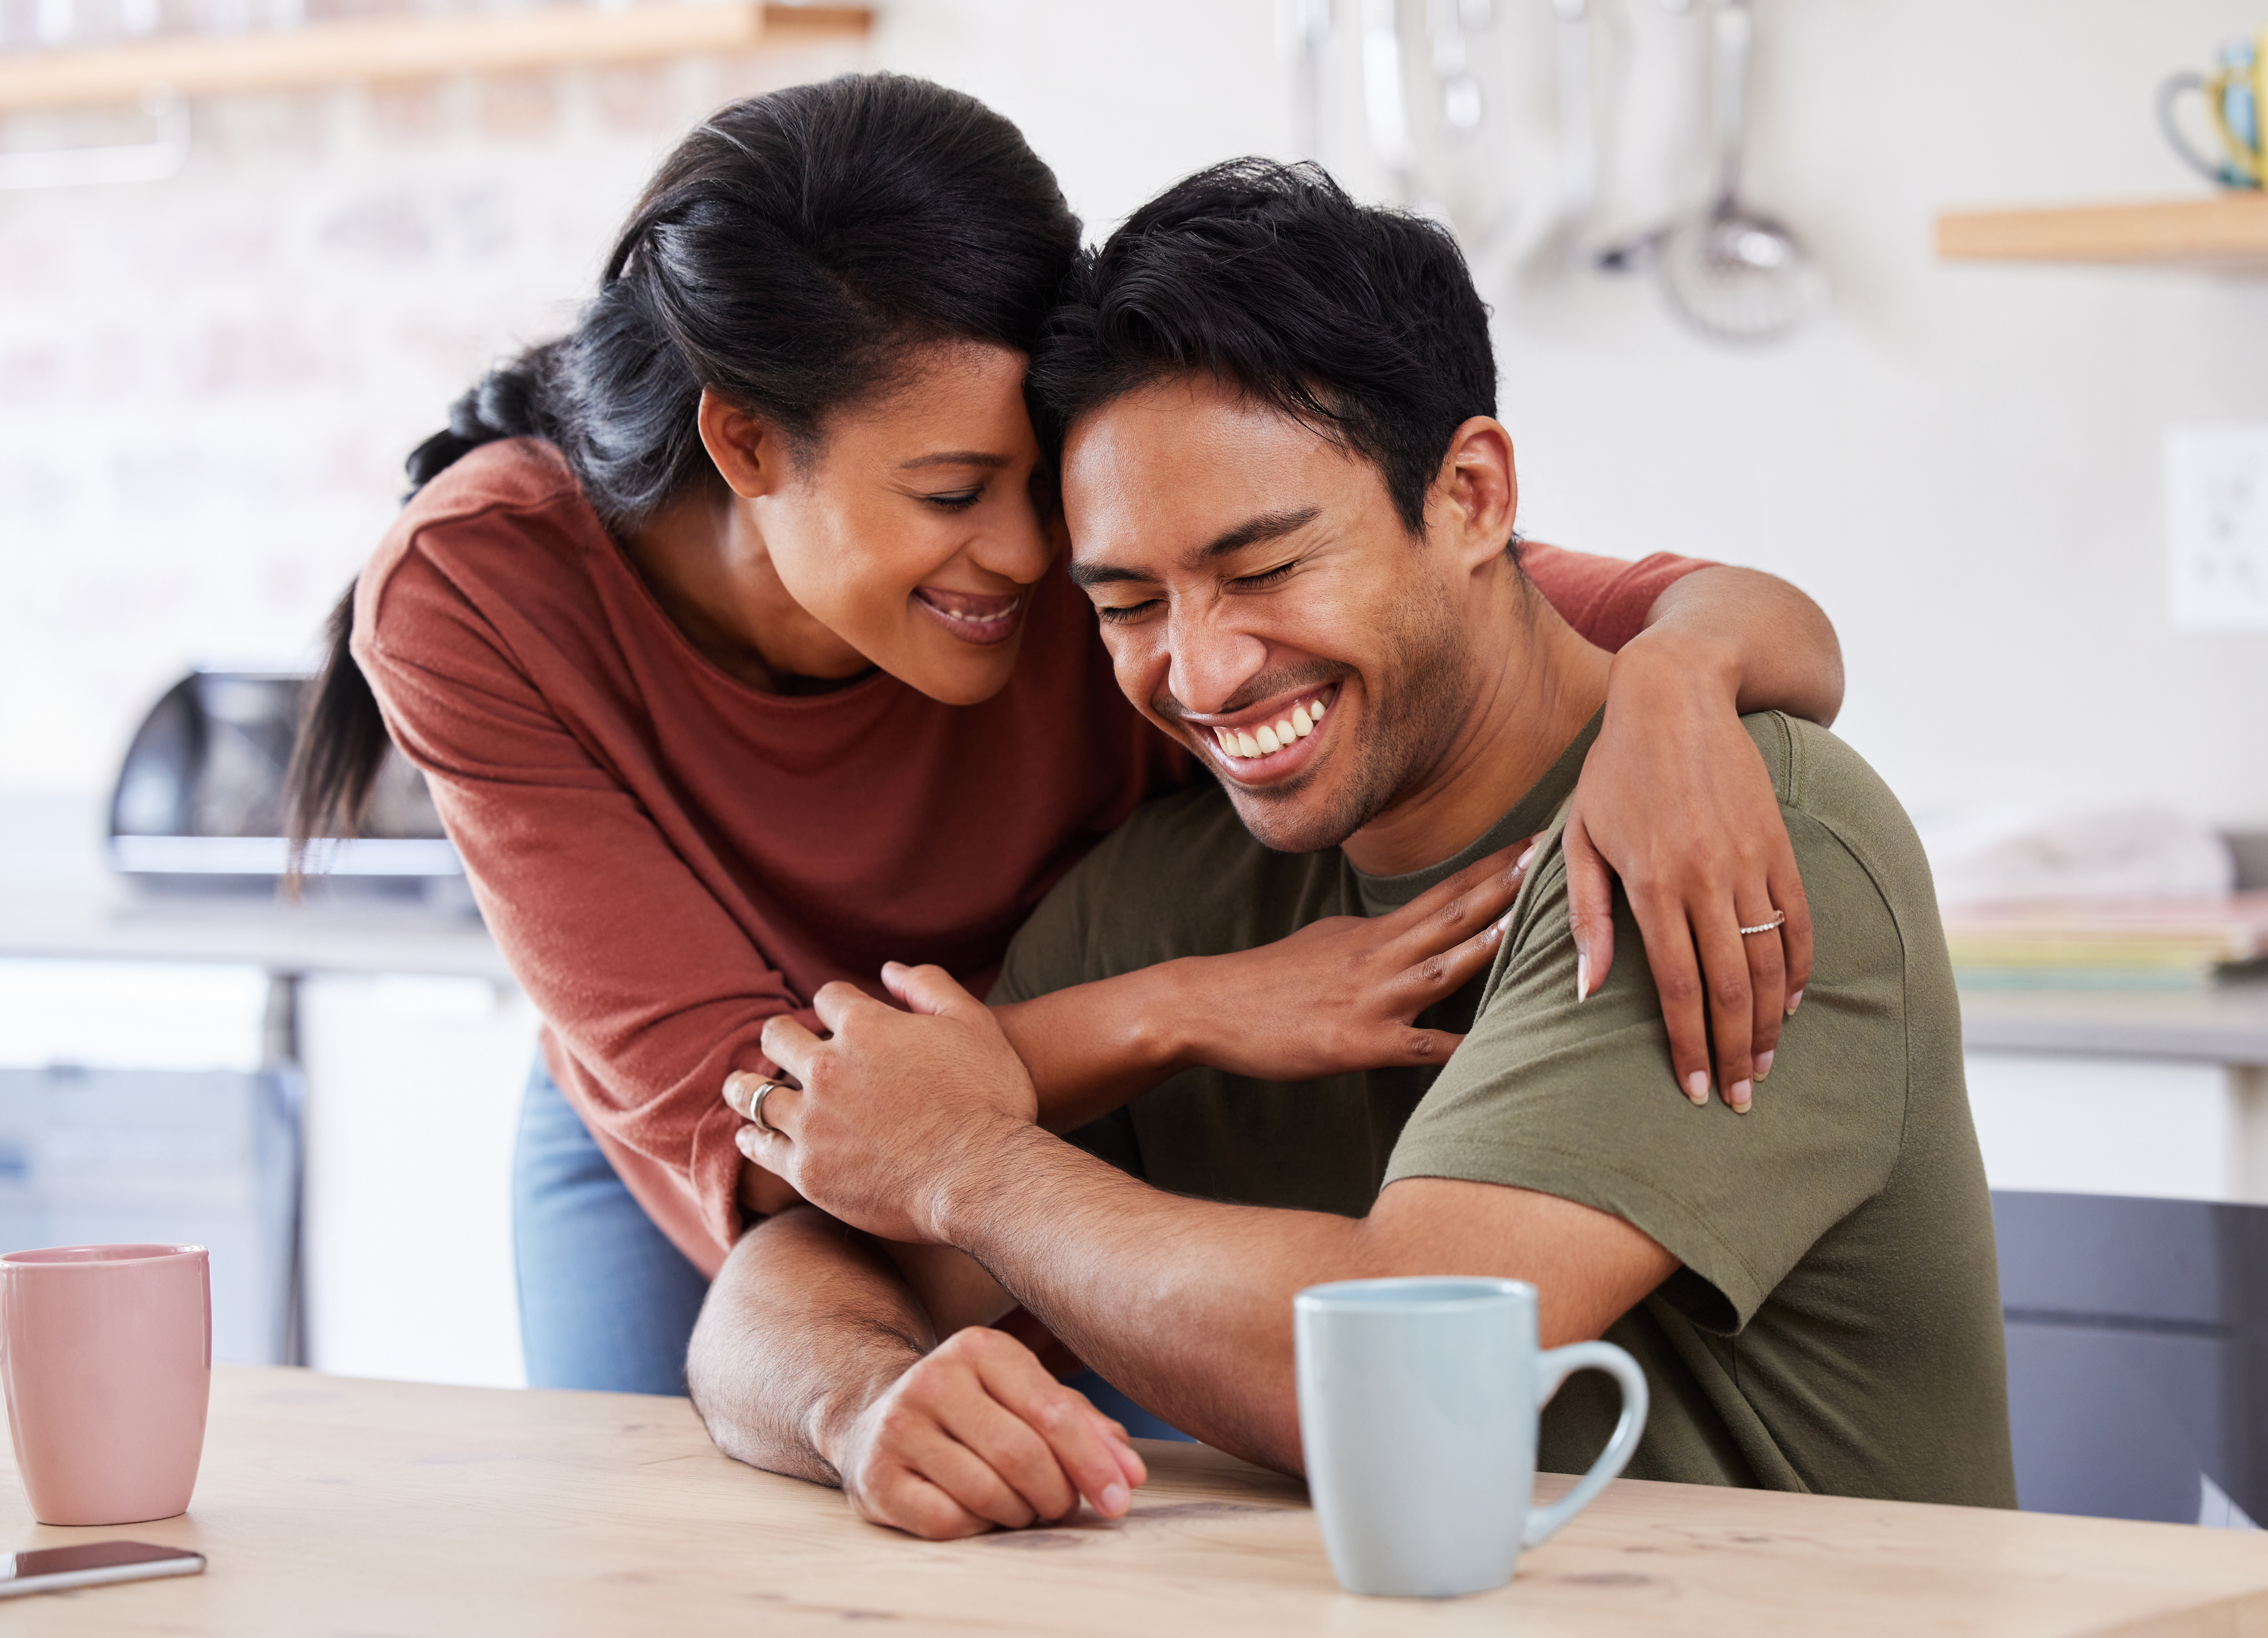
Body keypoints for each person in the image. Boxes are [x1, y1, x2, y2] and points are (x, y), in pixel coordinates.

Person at [287, 76, 1847, 1403]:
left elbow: (1661, 615)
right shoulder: (478, 592)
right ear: (747, 443)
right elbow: (783, 1144)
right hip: (733, 1130)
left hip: (1058, 1120)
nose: (1035, 561)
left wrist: (1667, 696)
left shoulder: (1118, 555)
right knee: (672, 1550)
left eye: (1040, 488)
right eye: (956, 495)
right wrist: (1187, 1008)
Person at [693, 159, 2018, 1540]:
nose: (1199, 672)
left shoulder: (1736, 842)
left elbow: (1397, 1374)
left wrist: (968, 1163)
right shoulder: (1157, 893)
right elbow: (786, 1290)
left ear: (1471, 497)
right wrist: (861, 1406)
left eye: (1263, 570)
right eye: (1132, 601)